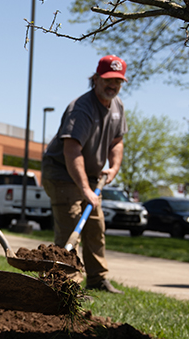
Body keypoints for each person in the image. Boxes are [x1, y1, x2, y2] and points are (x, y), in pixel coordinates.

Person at [41, 55, 128, 293]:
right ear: (96, 79)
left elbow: (117, 141)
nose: (113, 86)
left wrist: (114, 167)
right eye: (108, 80)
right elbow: (71, 150)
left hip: (89, 175)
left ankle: (98, 280)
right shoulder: (82, 108)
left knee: (95, 228)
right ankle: (67, 285)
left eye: (118, 81)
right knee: (71, 228)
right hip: (61, 172)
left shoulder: (117, 106)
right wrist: (85, 190)